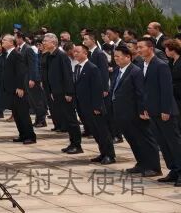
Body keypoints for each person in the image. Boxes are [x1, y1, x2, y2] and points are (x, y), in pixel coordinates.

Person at [136, 36, 181, 185]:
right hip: (152, 111)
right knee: (163, 144)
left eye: (141, 47)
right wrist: (145, 108)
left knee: (173, 143)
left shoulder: (160, 65)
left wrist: (166, 110)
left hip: (165, 112)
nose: (138, 50)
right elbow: (144, 90)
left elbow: (166, 89)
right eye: (137, 48)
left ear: (150, 48)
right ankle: (173, 170)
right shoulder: (142, 64)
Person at [110, 44, 160, 177]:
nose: (116, 59)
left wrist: (143, 110)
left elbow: (141, 93)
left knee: (145, 140)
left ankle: (154, 167)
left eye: (118, 56)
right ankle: (141, 163)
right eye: (114, 56)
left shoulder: (135, 71)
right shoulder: (117, 70)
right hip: (122, 113)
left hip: (135, 113)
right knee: (133, 140)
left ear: (128, 57)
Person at [73, 42, 115, 164]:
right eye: (74, 52)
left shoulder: (92, 68)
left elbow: (97, 88)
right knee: (95, 132)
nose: (75, 54)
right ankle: (102, 153)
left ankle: (110, 155)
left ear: (85, 53)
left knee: (102, 131)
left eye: (78, 52)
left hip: (94, 106)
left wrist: (97, 106)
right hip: (83, 106)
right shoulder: (77, 67)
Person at [1, 34, 35, 144]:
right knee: (16, 114)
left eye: (5, 40)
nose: (2, 41)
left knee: (23, 113)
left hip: (18, 89)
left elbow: (21, 72)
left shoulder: (16, 54)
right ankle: (22, 134)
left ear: (11, 42)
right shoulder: (7, 54)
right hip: (11, 89)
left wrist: (20, 87)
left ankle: (30, 136)